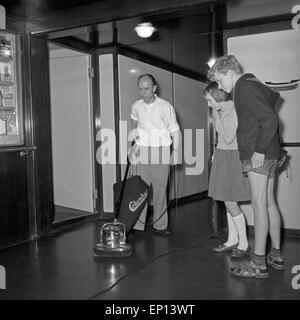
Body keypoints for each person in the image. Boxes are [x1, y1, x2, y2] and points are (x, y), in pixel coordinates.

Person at [208, 55, 284, 279]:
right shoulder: (252, 83)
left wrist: (259, 150)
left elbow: (270, 119)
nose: (221, 87)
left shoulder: (243, 87)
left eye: (221, 81)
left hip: (258, 154)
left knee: (258, 204)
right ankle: (276, 254)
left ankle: (258, 263)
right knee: (269, 203)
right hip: (269, 152)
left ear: (230, 73)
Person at [129, 74, 180, 235]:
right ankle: (137, 225)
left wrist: (176, 153)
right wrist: (135, 143)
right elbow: (134, 122)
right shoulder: (136, 105)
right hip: (142, 150)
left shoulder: (166, 107)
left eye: (147, 89)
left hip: (161, 151)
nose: (143, 92)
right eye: (140, 89)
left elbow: (175, 131)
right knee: (139, 191)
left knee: (159, 190)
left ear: (154, 88)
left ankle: (161, 226)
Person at [203, 82, 250, 259]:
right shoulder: (223, 111)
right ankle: (232, 240)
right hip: (223, 154)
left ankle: (243, 244)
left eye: (209, 100)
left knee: (231, 202)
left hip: (232, 156)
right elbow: (222, 138)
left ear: (218, 97)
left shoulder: (231, 110)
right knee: (226, 201)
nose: (208, 104)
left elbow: (229, 137)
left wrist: (215, 115)